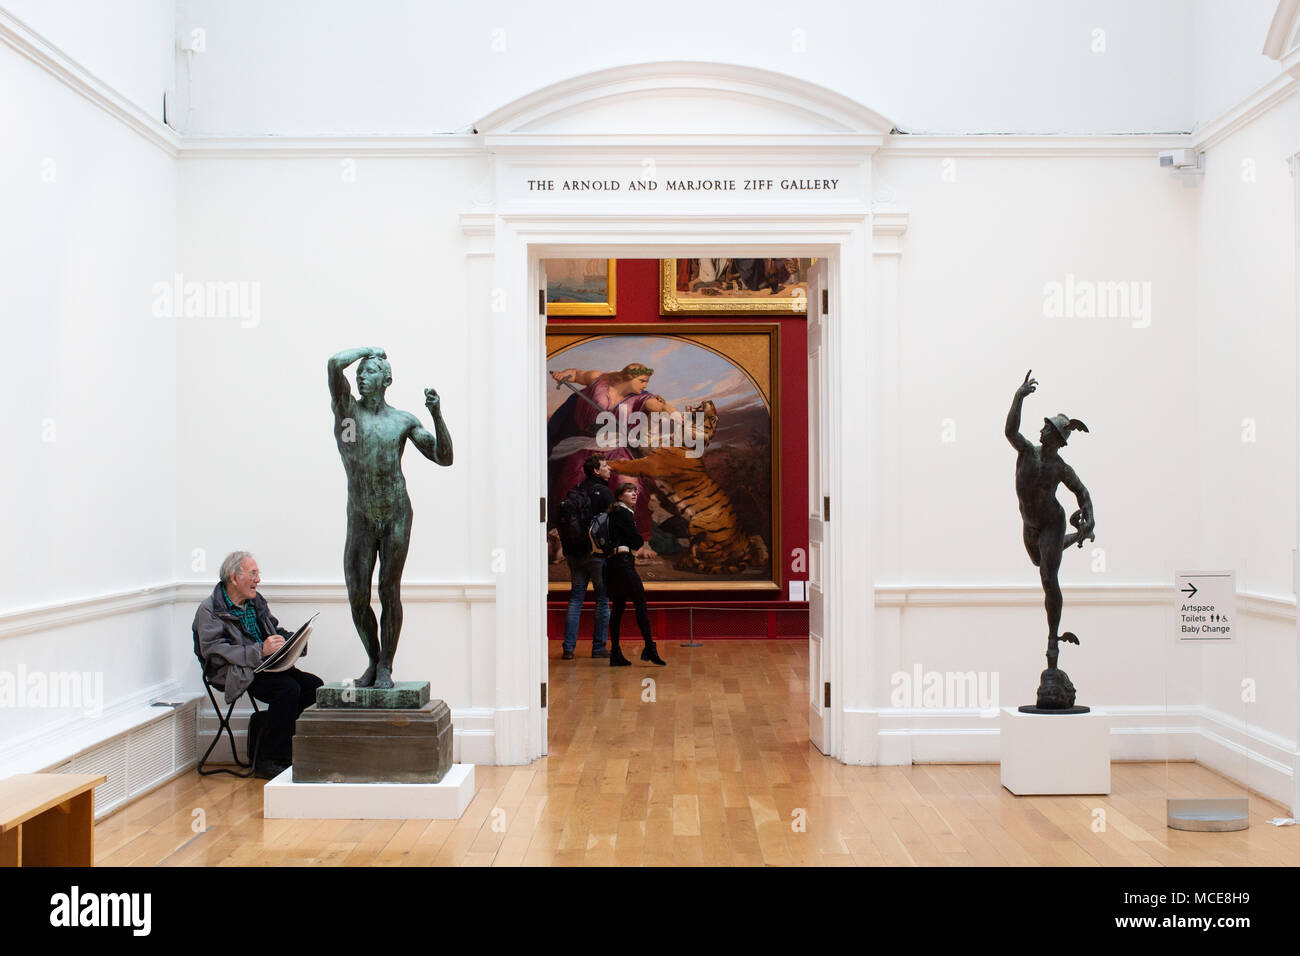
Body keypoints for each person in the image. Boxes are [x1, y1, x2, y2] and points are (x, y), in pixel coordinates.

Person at [328, 346, 453, 689]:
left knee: (388, 590)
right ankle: (372, 657)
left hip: (397, 511)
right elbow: (334, 364)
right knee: (357, 595)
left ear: (387, 379)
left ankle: (385, 666)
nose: (361, 376)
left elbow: (444, 458)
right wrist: (368, 350)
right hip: (361, 515)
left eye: (369, 371)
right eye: (360, 373)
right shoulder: (348, 414)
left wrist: (437, 414)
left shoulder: (402, 420)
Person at [193, 552, 323, 779]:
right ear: (234, 578)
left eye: (258, 574)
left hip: (264, 665)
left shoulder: (255, 601)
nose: (258, 580)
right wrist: (259, 651)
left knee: (314, 686)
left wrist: (291, 641)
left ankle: (274, 739)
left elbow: (272, 629)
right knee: (288, 689)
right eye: (253, 574)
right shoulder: (210, 610)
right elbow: (215, 652)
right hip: (234, 671)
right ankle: (270, 758)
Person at [1005, 370, 1095, 671]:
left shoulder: (1060, 468)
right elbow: (1010, 432)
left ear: (1056, 439)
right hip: (1030, 524)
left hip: (1052, 522)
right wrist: (1018, 397)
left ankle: (1052, 641)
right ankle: (1073, 538)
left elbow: (1082, 491)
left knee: (1047, 577)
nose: (1041, 431)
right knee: (1037, 560)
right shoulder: (1027, 451)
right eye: (1042, 427)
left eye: (1046, 430)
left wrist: (1090, 518)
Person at [547, 361, 681, 561]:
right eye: (642, 380)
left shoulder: (640, 398)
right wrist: (563, 374)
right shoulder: (599, 379)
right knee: (571, 488)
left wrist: (675, 414)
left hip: (616, 451)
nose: (645, 385)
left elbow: (658, 405)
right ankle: (567, 541)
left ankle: (640, 542)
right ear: (627, 377)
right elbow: (576, 373)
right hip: (585, 447)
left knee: (632, 489)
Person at [603, 483, 667, 668]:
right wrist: (636, 536)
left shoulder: (613, 512)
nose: (634, 494)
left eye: (635, 491)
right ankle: (650, 648)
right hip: (623, 564)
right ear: (620, 496)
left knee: (618, 608)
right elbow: (637, 541)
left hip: (613, 564)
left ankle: (616, 653)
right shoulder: (623, 513)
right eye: (629, 491)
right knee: (640, 603)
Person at [560, 453, 615, 660]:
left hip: (574, 553)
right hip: (597, 555)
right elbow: (611, 525)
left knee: (575, 599)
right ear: (596, 471)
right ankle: (599, 647)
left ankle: (569, 648)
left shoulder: (576, 491)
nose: (609, 468)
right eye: (605, 466)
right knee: (602, 600)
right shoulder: (605, 493)